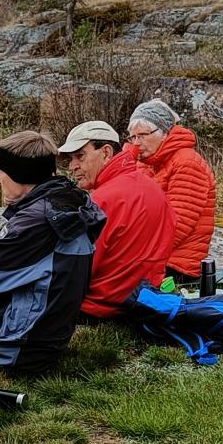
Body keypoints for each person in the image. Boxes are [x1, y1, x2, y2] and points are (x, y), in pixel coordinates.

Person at [0, 131, 105, 376]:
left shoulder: (37, 222)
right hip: (46, 337)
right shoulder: (70, 204)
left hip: (18, 346)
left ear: (20, 175)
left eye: (1, 172)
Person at [58, 121, 170, 319]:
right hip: (146, 300)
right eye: (71, 158)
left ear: (106, 152)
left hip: (102, 308)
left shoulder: (100, 201)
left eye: (80, 156)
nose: (72, 166)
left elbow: (79, 269)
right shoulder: (152, 187)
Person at [126, 100, 218, 283]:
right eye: (132, 137)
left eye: (143, 135)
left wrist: (133, 251)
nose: (136, 144)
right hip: (153, 257)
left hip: (177, 265)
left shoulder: (187, 162)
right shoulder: (146, 164)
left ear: (164, 133)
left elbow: (177, 225)